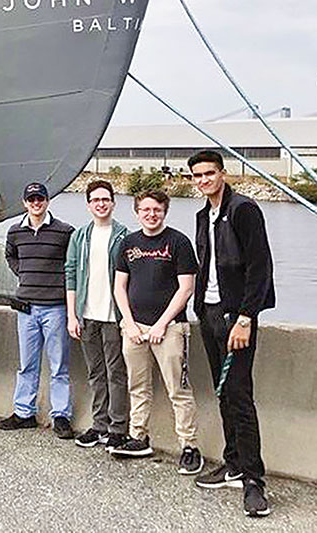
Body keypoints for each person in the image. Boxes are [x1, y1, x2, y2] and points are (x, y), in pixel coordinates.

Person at [188, 150, 275, 517]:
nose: (204, 179)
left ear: (222, 174)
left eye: (209, 173)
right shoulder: (202, 215)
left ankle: (254, 481)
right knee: (223, 392)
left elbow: (260, 265)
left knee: (239, 395)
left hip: (234, 316)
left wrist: (245, 316)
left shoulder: (243, 210)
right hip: (209, 315)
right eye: (197, 176)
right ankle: (233, 463)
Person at [110, 189, 204, 476]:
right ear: (137, 212)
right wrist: (129, 322)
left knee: (179, 389)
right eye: (146, 209)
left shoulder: (178, 242)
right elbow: (119, 287)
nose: (151, 214)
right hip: (135, 330)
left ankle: (189, 447)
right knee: (137, 387)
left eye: (157, 210)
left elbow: (185, 288)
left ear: (165, 211)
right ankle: (139, 438)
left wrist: (162, 323)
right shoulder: (128, 244)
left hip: (171, 329)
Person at [0, 182, 75, 438]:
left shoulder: (65, 231)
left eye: (40, 198)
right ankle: (24, 413)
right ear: (24, 203)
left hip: (55, 308)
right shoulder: (14, 232)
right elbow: (10, 256)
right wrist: (23, 272)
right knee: (26, 364)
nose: (36, 203)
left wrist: (59, 282)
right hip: (27, 308)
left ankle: (61, 416)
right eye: (31, 199)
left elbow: (72, 263)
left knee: (59, 366)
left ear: (47, 200)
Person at [65, 180, 129, 450]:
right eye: (95, 200)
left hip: (113, 316)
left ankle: (117, 428)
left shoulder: (124, 236)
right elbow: (71, 275)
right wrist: (72, 315)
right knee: (95, 372)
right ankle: (99, 424)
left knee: (116, 372)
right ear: (89, 204)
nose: (101, 204)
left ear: (113, 203)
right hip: (87, 315)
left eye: (105, 199)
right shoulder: (79, 236)